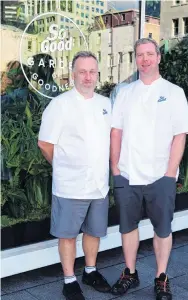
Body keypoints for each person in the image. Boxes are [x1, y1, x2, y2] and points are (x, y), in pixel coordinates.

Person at [110, 38, 188, 300]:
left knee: (163, 229)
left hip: (161, 176)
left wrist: (170, 174)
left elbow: (180, 135)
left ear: (158, 57)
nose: (144, 59)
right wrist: (115, 168)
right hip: (128, 173)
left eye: (149, 54)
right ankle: (130, 273)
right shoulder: (125, 93)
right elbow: (116, 132)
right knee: (127, 228)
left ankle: (161, 278)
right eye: (139, 55)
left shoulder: (173, 92)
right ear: (136, 60)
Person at [38, 51, 111, 300]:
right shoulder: (60, 105)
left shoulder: (105, 104)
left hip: (99, 186)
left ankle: (90, 271)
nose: (88, 77)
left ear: (97, 74)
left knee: (94, 231)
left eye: (92, 71)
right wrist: (63, 166)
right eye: (82, 71)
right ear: (73, 75)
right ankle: (69, 279)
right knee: (68, 235)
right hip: (70, 186)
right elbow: (45, 144)